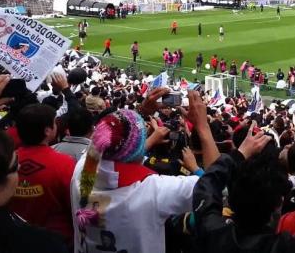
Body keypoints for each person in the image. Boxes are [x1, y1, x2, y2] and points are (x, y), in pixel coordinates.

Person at [71, 90, 214, 253]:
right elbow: (213, 183)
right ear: (139, 152)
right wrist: (203, 127)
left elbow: (101, 141)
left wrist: (141, 112)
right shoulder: (154, 191)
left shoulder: (81, 171)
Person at [192, 123, 295, 252]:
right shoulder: (291, 248)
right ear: (279, 204)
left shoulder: (211, 231)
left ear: (231, 198)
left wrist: (240, 153)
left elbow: (207, 184)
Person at [9, 104, 76, 246]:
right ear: (47, 131)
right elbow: (75, 205)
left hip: (14, 238)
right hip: (56, 241)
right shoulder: (65, 163)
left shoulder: (6, 161)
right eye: (54, 123)